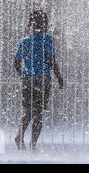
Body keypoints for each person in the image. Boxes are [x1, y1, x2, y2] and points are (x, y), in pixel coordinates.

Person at [13, 9, 64, 151]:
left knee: (28, 111)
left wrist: (24, 74)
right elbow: (51, 61)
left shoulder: (24, 41)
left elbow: (16, 62)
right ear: (46, 25)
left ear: (29, 25)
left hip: (28, 79)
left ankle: (19, 135)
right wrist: (59, 77)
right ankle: (33, 145)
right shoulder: (47, 40)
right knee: (38, 114)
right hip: (42, 79)